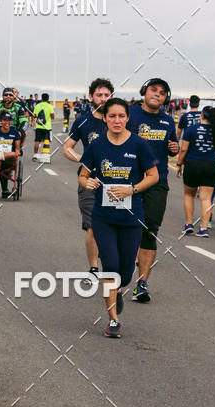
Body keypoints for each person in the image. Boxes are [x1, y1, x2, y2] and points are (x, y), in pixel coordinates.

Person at [79, 98, 158, 338]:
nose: (116, 120)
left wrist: (132, 189)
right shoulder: (97, 145)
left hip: (131, 217)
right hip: (103, 217)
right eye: (111, 116)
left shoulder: (139, 144)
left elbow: (153, 176)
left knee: (124, 272)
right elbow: (83, 175)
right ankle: (113, 319)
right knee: (110, 266)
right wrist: (88, 181)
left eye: (121, 116)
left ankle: (118, 289)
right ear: (104, 118)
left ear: (127, 118)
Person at [127, 78, 179, 303]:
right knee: (126, 229)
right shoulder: (129, 114)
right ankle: (119, 276)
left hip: (157, 181)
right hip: (126, 180)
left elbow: (173, 149)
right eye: (153, 90)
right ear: (144, 92)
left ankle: (142, 283)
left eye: (162, 93)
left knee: (149, 229)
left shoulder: (168, 120)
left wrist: (175, 148)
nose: (157, 95)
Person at [63, 78, 113, 273]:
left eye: (106, 95)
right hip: (89, 181)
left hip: (117, 183)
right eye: (99, 95)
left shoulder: (120, 119)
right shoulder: (83, 120)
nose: (103, 98)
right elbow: (67, 147)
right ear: (91, 97)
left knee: (113, 226)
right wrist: (82, 160)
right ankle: (93, 269)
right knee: (93, 225)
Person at [176, 106, 215, 237]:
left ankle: (189, 223)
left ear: (201, 115)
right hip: (211, 165)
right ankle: (203, 229)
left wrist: (179, 164)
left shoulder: (191, 129)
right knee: (206, 198)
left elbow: (184, 149)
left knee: (189, 195)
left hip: (192, 164)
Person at [33, 92, 55, 160]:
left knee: (37, 141)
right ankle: (45, 157)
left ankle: (35, 155)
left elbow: (34, 116)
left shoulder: (37, 106)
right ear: (48, 99)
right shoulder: (50, 106)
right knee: (46, 141)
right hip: (47, 127)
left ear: (41, 98)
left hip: (39, 127)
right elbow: (52, 116)